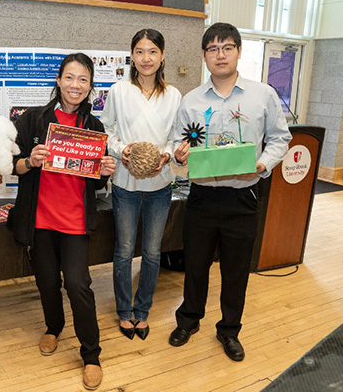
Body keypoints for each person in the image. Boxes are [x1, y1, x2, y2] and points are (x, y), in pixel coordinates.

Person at [168, 22, 292, 361]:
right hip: (202, 198)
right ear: (204, 56)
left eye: (227, 47)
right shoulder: (191, 100)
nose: (220, 54)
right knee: (195, 265)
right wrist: (180, 152)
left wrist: (263, 164)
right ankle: (189, 320)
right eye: (213, 49)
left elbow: (281, 138)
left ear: (239, 51)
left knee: (236, 270)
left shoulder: (262, 95)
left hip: (243, 196)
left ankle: (229, 330)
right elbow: (182, 141)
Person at [7, 53, 116, 390]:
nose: (76, 85)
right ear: (58, 80)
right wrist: (29, 160)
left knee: (79, 286)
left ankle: (91, 354)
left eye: (83, 79)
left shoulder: (93, 128)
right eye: (70, 78)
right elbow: (11, 165)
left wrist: (105, 173)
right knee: (47, 282)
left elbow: (94, 183)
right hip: (39, 220)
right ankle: (54, 327)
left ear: (90, 86)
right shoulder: (33, 121)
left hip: (74, 221)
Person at [101, 29, 181, 341]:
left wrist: (166, 155)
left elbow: (178, 137)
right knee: (123, 250)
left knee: (152, 252)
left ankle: (142, 310)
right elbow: (105, 129)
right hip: (124, 182)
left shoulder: (174, 95)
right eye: (139, 51)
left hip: (160, 184)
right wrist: (122, 150)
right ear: (131, 56)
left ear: (162, 56)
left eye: (152, 52)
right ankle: (124, 311)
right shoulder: (119, 91)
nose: (145, 58)